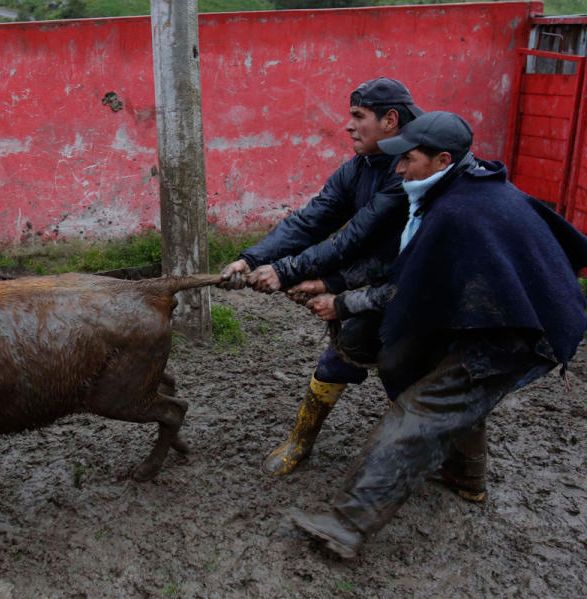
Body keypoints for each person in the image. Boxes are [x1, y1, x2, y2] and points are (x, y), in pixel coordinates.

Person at [289, 111, 587, 559]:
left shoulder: (456, 211)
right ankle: (467, 479)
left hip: (517, 331)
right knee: (450, 393)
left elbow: (406, 288)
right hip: (512, 310)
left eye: (407, 159)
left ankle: (346, 524)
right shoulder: (474, 184)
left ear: (441, 158)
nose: (399, 170)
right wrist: (335, 285)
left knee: (420, 411)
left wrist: (341, 302)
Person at [220, 77, 422, 476]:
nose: (347, 125)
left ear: (390, 120)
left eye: (358, 116)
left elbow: (356, 237)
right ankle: (301, 441)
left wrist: (287, 272)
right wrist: (253, 258)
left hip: (423, 293)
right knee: (340, 359)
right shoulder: (362, 166)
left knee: (418, 382)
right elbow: (315, 218)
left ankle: (457, 467)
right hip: (383, 285)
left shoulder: (411, 171)